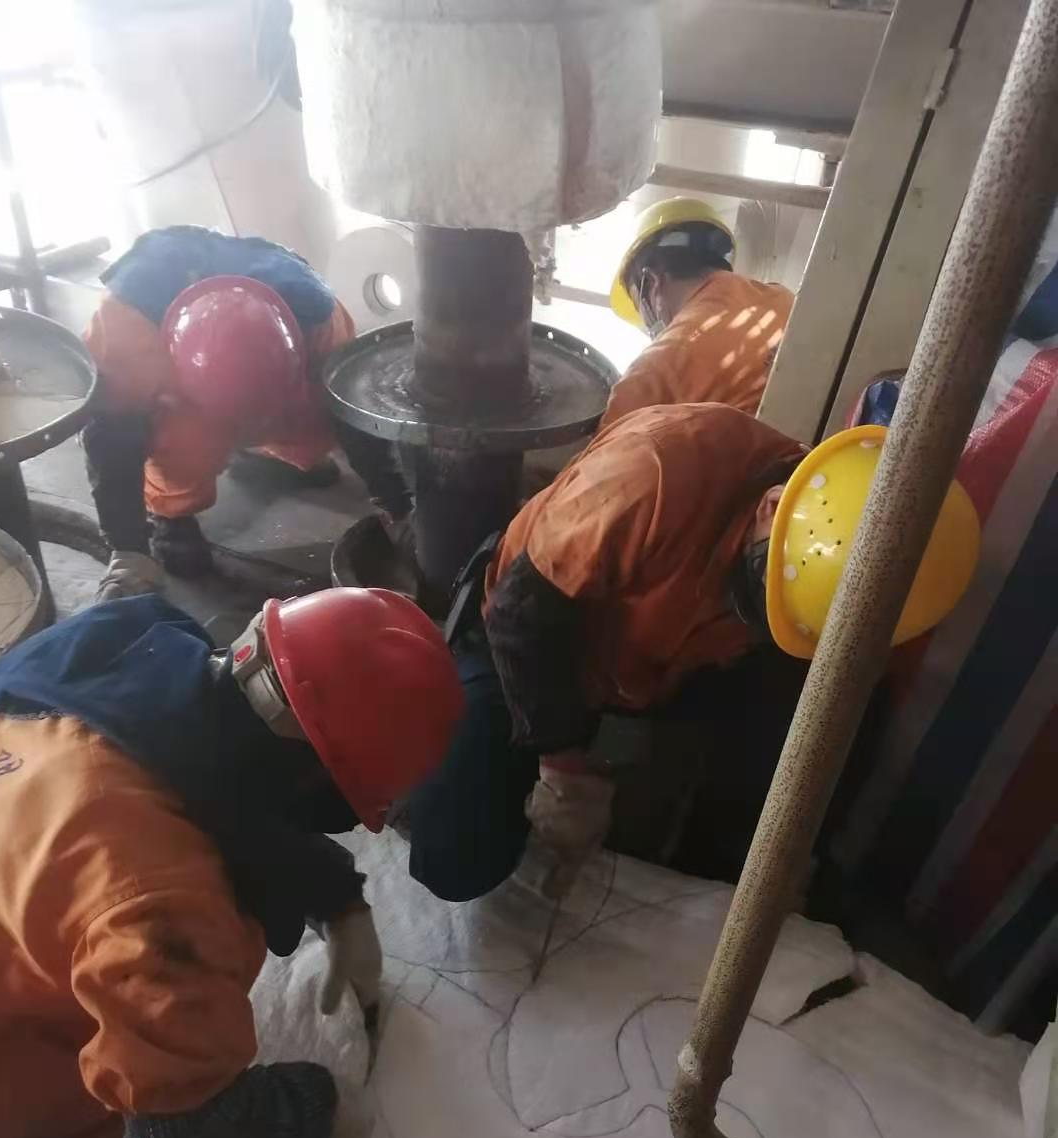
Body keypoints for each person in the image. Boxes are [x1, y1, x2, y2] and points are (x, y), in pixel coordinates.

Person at [0, 586, 463, 1138]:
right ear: (313, 783)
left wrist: (332, 892)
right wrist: (319, 1112)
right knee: (102, 1113)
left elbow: (207, 775)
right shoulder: (161, 907)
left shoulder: (105, 645)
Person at [406, 410, 978, 904]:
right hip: (533, 645)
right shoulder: (649, 474)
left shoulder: (849, 583)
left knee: (797, 751)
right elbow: (519, 617)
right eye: (762, 593)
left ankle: (734, 863)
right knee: (454, 860)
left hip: (669, 672)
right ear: (772, 507)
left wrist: (790, 845)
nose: (763, 618)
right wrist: (564, 768)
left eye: (783, 618)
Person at [81, 225, 410, 601]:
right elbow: (109, 442)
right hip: (180, 391)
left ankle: (270, 453)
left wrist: (396, 506)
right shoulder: (124, 335)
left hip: (278, 369)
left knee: (325, 412)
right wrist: (129, 551)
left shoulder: (321, 318)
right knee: (182, 441)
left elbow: (355, 413)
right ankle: (171, 515)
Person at [600, 198, 794, 428]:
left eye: (640, 307)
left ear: (650, 281)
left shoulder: (653, 372)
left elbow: (606, 449)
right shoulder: (785, 299)